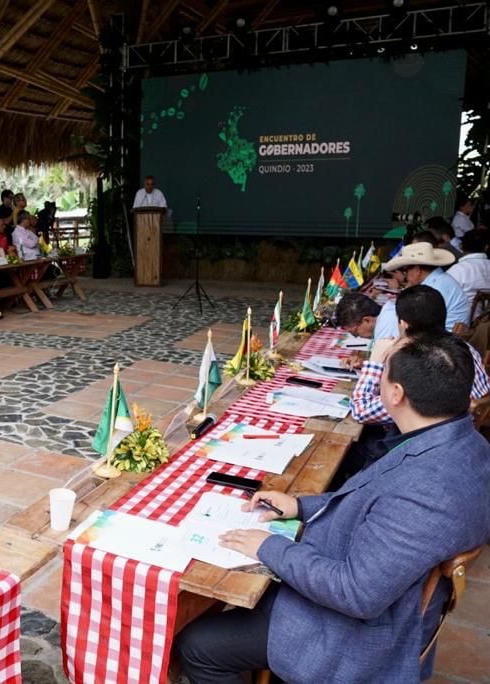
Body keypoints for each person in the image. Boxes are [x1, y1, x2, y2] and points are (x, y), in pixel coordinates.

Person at [176, 333, 490, 684]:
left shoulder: (428, 490)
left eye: (381, 374)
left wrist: (268, 547)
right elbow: (370, 502)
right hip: (369, 581)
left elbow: (356, 594)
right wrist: (299, 505)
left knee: (197, 645)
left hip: (351, 634)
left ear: (396, 393)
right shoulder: (464, 443)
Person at [348, 286, 487, 468]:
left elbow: (361, 410)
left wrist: (375, 362)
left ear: (404, 324)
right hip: (462, 439)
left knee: (354, 446)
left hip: (421, 451)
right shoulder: (462, 348)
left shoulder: (419, 362)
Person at [374, 242, 470, 336]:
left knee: (391, 314)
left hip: (441, 339)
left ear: (417, 269)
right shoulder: (439, 280)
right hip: (444, 335)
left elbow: (416, 318)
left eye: (405, 270)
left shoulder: (432, 288)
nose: (405, 275)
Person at [448, 229, 490, 318]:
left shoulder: (457, 270)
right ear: (486, 247)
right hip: (486, 325)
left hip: (462, 326)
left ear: (461, 246)